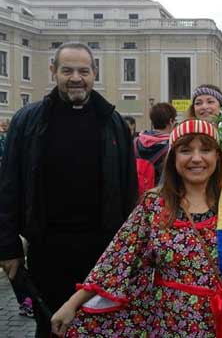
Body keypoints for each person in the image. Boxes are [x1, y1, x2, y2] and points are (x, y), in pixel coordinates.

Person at [50, 119, 222, 337]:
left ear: (218, 157)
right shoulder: (154, 204)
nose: (197, 158)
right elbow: (117, 258)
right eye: (185, 150)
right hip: (170, 324)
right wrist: (71, 304)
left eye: (206, 150)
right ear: (172, 158)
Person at [0, 42, 138, 337]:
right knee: (50, 326)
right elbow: (8, 186)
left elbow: (129, 190)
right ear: (54, 72)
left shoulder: (112, 122)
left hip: (101, 250)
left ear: (94, 73)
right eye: (67, 70)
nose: (76, 77)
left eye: (83, 70)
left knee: (100, 326)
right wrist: (8, 248)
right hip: (47, 249)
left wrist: (130, 251)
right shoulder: (27, 121)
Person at [134, 102, 177, 183]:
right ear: (171, 121)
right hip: (160, 193)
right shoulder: (172, 145)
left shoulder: (135, 142)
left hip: (138, 192)